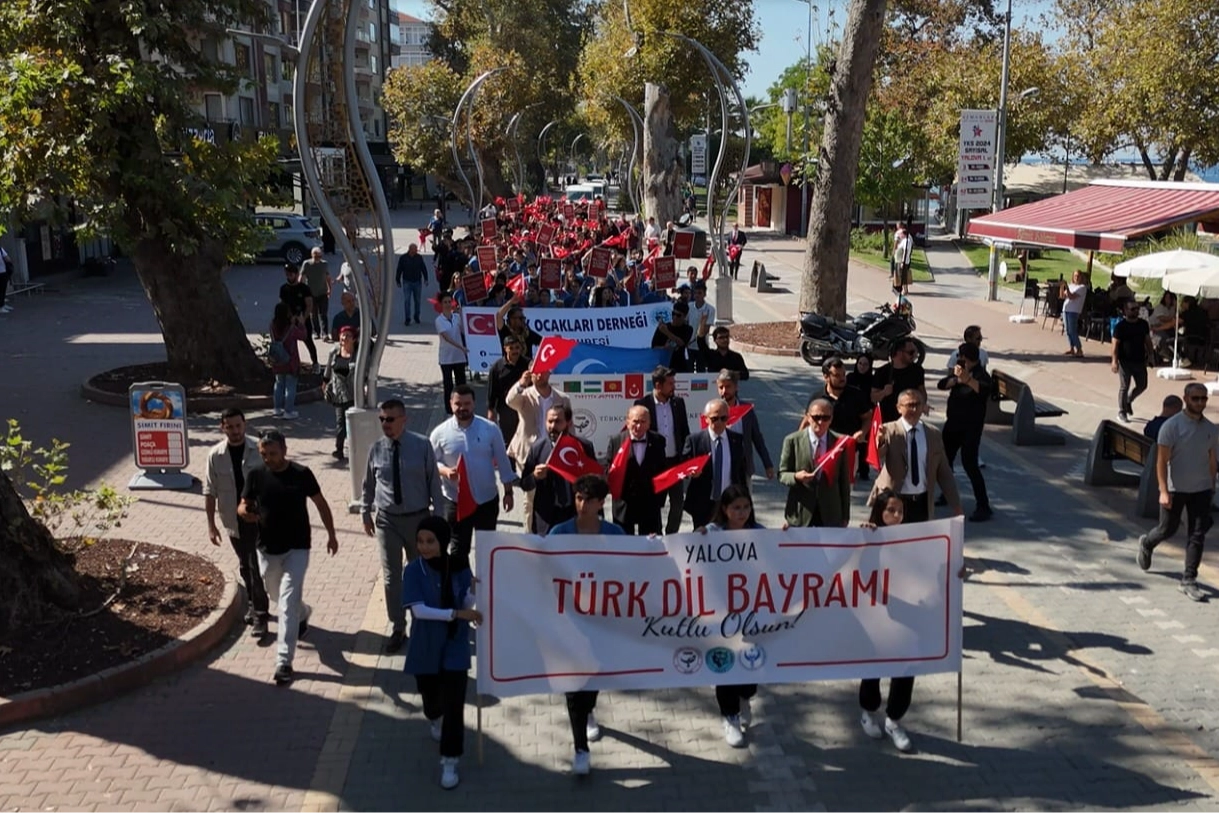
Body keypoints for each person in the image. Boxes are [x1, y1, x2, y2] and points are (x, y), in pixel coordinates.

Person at [238, 430, 339, 685]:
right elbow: (243, 503)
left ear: (285, 450)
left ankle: (284, 661)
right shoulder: (256, 475)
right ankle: (303, 612)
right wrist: (244, 512)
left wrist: (331, 534)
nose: (269, 459)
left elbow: (321, 503)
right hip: (267, 549)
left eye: (273, 453)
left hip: (297, 547)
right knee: (277, 595)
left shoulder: (301, 474)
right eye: (264, 454)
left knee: (285, 603)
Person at [547, 474, 626, 776]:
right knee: (573, 684)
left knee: (593, 675)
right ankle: (580, 748)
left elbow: (635, 566)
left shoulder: (615, 534)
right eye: (578, 498)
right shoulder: (559, 533)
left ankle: (589, 708)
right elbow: (539, 564)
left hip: (602, 621)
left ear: (601, 503)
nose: (581, 505)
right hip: (568, 623)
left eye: (588, 500)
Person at [402, 515, 480, 789]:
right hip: (426, 646)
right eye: (420, 541)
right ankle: (434, 718)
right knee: (431, 700)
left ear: (443, 542)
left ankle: (450, 760)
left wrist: (474, 593)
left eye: (430, 541)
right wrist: (456, 614)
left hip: (455, 645)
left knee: (454, 705)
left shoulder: (459, 566)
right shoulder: (413, 571)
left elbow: (467, 602)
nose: (424, 547)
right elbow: (419, 611)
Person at [363, 398, 445, 653]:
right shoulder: (376, 449)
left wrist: (438, 519)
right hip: (388, 521)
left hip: (418, 520)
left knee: (420, 574)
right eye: (382, 419)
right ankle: (398, 627)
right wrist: (365, 511)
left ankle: (423, 621)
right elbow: (369, 484)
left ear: (403, 420)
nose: (385, 424)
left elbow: (434, 484)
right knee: (391, 577)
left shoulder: (422, 445)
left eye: (390, 419)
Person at [1137, 382, 1218, 602]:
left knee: (1197, 534)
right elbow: (1161, 461)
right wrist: (1163, 490)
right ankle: (1147, 543)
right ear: (1185, 399)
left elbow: (1212, 460)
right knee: (1167, 529)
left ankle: (1189, 580)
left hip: (1201, 489)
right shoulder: (1171, 427)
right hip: (1175, 489)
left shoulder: (1211, 429)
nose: (1200, 402)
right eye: (1195, 398)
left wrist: (1212, 485)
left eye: (1203, 399)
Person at [697, 485, 762, 746]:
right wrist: (696, 537)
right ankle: (729, 716)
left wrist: (786, 536)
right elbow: (690, 553)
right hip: (720, 615)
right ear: (724, 509)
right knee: (724, 664)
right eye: (736, 508)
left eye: (746, 507)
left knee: (749, 664)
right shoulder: (712, 533)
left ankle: (745, 697)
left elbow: (782, 555)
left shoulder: (759, 533)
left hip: (751, 613)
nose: (742, 512)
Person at [858, 488, 916, 752]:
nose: (896, 515)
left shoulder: (914, 539)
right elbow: (861, 572)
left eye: (900, 511)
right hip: (877, 615)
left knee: (906, 668)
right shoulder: (868, 535)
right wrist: (865, 540)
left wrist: (956, 570)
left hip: (907, 615)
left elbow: (935, 566)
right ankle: (868, 711)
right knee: (873, 665)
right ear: (879, 512)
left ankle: (894, 720)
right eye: (890, 510)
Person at [430, 385, 518, 556]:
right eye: (458, 404)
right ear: (450, 403)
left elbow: (503, 462)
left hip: (486, 501)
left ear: (474, 404)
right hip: (455, 501)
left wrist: (508, 492)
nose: (462, 408)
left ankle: (483, 574)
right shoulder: (440, 433)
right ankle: (460, 575)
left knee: (487, 550)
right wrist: (445, 471)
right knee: (458, 550)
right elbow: (430, 462)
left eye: (467, 403)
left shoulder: (490, 429)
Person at [203, 408, 269, 637]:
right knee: (245, 564)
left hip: (257, 519)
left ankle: (260, 615)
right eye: (229, 426)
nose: (235, 431)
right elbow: (210, 491)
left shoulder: (259, 450)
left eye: (238, 426)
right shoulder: (215, 455)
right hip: (232, 521)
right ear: (222, 427)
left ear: (245, 424)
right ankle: (252, 603)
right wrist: (211, 525)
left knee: (254, 565)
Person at [870, 389, 962, 522]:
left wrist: (956, 506)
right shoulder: (888, 430)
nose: (914, 409)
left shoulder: (933, 434)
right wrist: (879, 442)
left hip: (921, 502)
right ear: (899, 408)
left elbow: (944, 473)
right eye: (909, 405)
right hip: (894, 500)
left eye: (918, 405)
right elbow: (877, 457)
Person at [520, 405, 597, 534]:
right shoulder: (537, 448)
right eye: (550, 421)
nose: (552, 426)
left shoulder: (583, 447)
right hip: (546, 518)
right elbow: (524, 484)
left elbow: (595, 482)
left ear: (568, 423)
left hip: (575, 515)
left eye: (558, 422)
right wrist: (535, 476)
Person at [936, 343, 992, 522]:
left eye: (961, 357)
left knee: (970, 465)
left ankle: (983, 506)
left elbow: (983, 390)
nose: (959, 360)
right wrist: (956, 380)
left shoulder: (981, 375)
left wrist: (967, 379)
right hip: (953, 424)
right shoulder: (959, 372)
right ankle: (947, 493)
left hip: (970, 428)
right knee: (945, 461)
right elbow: (941, 384)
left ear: (967, 358)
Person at [779, 397, 852, 527]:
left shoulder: (839, 443)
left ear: (831, 419)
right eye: (816, 417)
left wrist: (845, 516)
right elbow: (782, 474)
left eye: (825, 418)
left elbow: (844, 482)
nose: (820, 422)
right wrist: (796, 477)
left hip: (830, 513)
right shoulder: (792, 441)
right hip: (801, 512)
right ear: (808, 417)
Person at [635, 366, 690, 533]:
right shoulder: (643, 404)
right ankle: (656, 534)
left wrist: (686, 458)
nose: (674, 387)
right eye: (670, 383)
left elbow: (684, 432)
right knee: (654, 503)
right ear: (658, 385)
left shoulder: (678, 403)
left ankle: (671, 534)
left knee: (678, 503)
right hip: (654, 464)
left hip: (675, 462)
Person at [681, 399, 748, 528]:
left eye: (723, 418)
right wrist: (690, 472)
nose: (719, 423)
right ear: (706, 419)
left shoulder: (736, 440)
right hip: (703, 502)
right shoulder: (695, 440)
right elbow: (684, 466)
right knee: (703, 536)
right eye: (714, 419)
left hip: (730, 501)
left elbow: (740, 471)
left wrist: (744, 498)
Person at [606, 406, 667, 534]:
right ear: (627, 422)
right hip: (624, 504)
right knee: (624, 542)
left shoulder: (658, 441)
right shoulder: (616, 441)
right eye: (635, 421)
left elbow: (663, 470)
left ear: (649, 423)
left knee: (650, 542)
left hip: (649, 504)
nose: (638, 426)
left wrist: (659, 500)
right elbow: (608, 470)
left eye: (643, 422)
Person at [810, 356, 873, 474]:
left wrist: (863, 432)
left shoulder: (856, 395)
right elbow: (807, 422)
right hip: (825, 452)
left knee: (846, 484)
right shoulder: (818, 398)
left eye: (843, 374)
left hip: (849, 451)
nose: (842, 378)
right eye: (837, 375)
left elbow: (868, 417)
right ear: (826, 377)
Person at [716, 370, 774, 486]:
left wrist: (767, 464)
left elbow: (757, 438)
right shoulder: (713, 410)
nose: (724, 391)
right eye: (721, 387)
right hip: (720, 467)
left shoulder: (746, 410)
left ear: (736, 387)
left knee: (744, 496)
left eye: (728, 387)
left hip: (743, 467)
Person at [1111, 299, 1154, 423]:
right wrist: (1114, 361)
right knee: (1124, 386)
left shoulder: (1143, 324)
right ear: (1125, 310)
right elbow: (1115, 345)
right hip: (1125, 361)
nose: (1136, 311)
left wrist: (1151, 356)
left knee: (1142, 385)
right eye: (1132, 309)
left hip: (1140, 360)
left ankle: (1129, 400)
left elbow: (1148, 341)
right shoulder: (1120, 327)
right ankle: (1122, 411)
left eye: (1137, 309)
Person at [486, 336, 529, 447]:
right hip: (505, 409)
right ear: (505, 348)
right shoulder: (497, 367)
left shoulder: (528, 364)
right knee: (508, 440)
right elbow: (492, 390)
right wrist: (491, 410)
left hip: (525, 406)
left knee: (525, 438)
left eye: (517, 347)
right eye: (511, 348)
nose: (515, 351)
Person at [871, 339, 927, 423]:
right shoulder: (883, 372)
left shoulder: (917, 371)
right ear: (899, 353)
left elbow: (922, 391)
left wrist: (922, 405)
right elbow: (873, 397)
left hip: (909, 419)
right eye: (911, 352)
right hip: (887, 420)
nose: (915, 355)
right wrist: (884, 392)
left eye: (916, 352)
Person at [322, 327, 358, 459]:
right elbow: (328, 368)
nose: (344, 338)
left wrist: (365, 386)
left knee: (353, 424)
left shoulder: (358, 354)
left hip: (353, 394)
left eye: (348, 335)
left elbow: (364, 372)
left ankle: (355, 449)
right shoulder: (334, 351)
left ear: (354, 339)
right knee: (340, 423)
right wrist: (325, 381)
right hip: (338, 393)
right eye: (343, 335)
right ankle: (339, 449)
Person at [280, 263, 319, 372]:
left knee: (308, 341)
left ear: (297, 274)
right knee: (289, 343)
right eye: (287, 274)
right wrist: (288, 317)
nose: (289, 277)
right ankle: (291, 364)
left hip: (303, 319)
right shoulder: (284, 289)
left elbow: (309, 305)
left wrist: (303, 318)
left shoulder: (304, 288)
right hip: (289, 320)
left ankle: (315, 363)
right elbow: (282, 304)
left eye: (291, 274)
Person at [269, 302, 306, 420]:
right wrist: (301, 324)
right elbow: (303, 336)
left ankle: (277, 408)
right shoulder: (291, 329)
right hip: (290, 361)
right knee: (290, 386)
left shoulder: (272, 325)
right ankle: (288, 411)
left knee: (279, 384)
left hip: (277, 359)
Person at [435, 293, 468, 414]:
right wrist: (461, 347)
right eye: (445, 302)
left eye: (449, 302)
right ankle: (449, 410)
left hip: (459, 357)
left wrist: (462, 314)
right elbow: (446, 337)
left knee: (461, 384)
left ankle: (463, 405)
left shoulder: (457, 317)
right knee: (448, 385)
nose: (448, 304)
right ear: (441, 304)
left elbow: (465, 331)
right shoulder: (439, 320)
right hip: (446, 358)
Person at [300, 247, 333, 342]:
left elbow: (327, 277)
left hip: (323, 293)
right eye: (316, 256)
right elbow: (302, 277)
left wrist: (330, 289)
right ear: (312, 255)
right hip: (311, 294)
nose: (318, 258)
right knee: (313, 314)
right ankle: (316, 332)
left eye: (320, 256)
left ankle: (325, 333)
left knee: (323, 314)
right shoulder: (307, 264)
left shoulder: (324, 264)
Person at [396, 243, 429, 326]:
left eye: (416, 249)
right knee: (407, 300)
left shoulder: (419, 257)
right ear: (410, 249)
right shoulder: (403, 258)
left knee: (417, 300)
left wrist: (426, 279)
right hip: (407, 281)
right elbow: (399, 269)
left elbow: (423, 268)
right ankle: (407, 318)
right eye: (414, 249)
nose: (416, 251)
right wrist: (398, 280)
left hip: (417, 281)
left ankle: (416, 316)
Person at [1061, 270, 1088, 357]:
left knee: (1072, 330)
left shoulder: (1082, 287)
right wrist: (1062, 286)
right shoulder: (1071, 285)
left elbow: (1071, 296)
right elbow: (1062, 296)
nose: (1076, 277)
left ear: (1081, 277)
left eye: (1078, 276)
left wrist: (1066, 287)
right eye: (1075, 276)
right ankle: (1071, 348)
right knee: (1067, 330)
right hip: (1066, 309)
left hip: (1074, 310)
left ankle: (1079, 349)